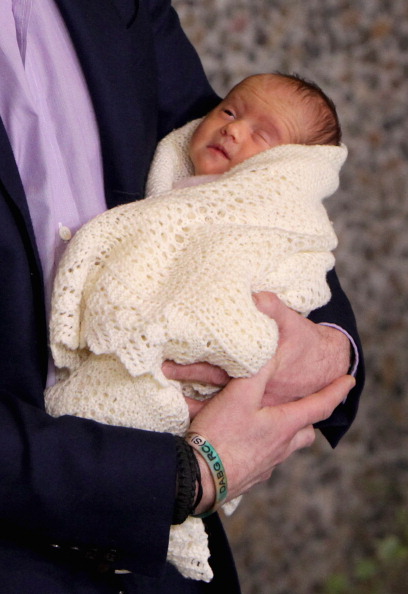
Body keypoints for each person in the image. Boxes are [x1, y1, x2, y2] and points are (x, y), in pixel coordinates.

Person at [0, 2, 364, 593]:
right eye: (230, 114)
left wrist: (323, 349)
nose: (230, 126)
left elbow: (263, 184)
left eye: (250, 126)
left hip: (157, 564)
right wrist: (178, 477)